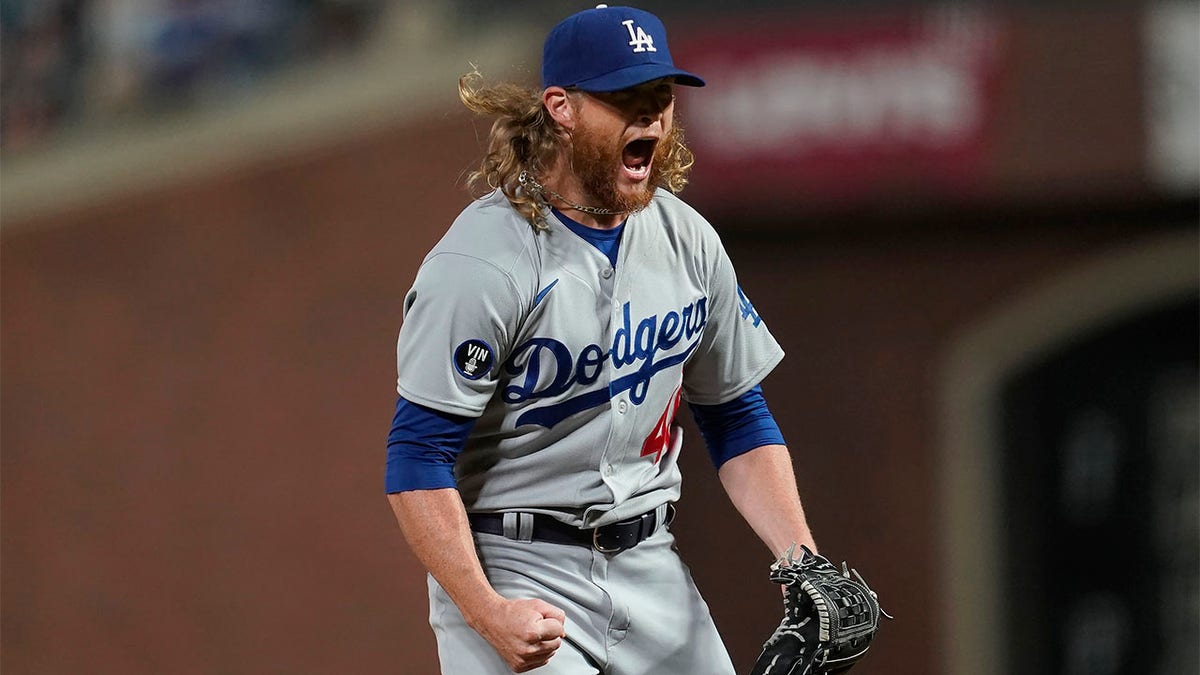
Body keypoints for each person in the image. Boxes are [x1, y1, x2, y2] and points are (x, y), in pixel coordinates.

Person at [386, 5, 818, 673]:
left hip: (650, 562)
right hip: (515, 562)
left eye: (659, 96)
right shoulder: (481, 263)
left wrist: (800, 559)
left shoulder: (687, 240)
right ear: (560, 107)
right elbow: (416, 458)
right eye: (624, 98)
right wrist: (483, 607)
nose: (648, 116)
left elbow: (736, 415)